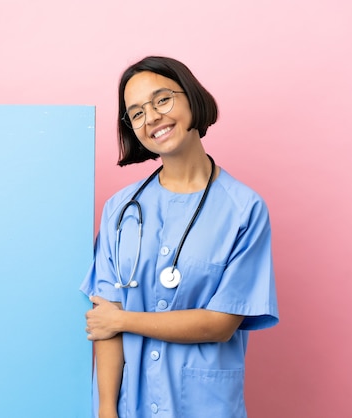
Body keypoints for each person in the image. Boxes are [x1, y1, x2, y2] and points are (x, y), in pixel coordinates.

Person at [81, 56, 279, 418]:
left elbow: (221, 323)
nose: (152, 117)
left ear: (190, 97)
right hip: (130, 406)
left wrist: (125, 320)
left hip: (203, 406)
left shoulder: (244, 210)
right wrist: (106, 409)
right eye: (136, 112)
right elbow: (104, 316)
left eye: (162, 100)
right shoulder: (120, 210)